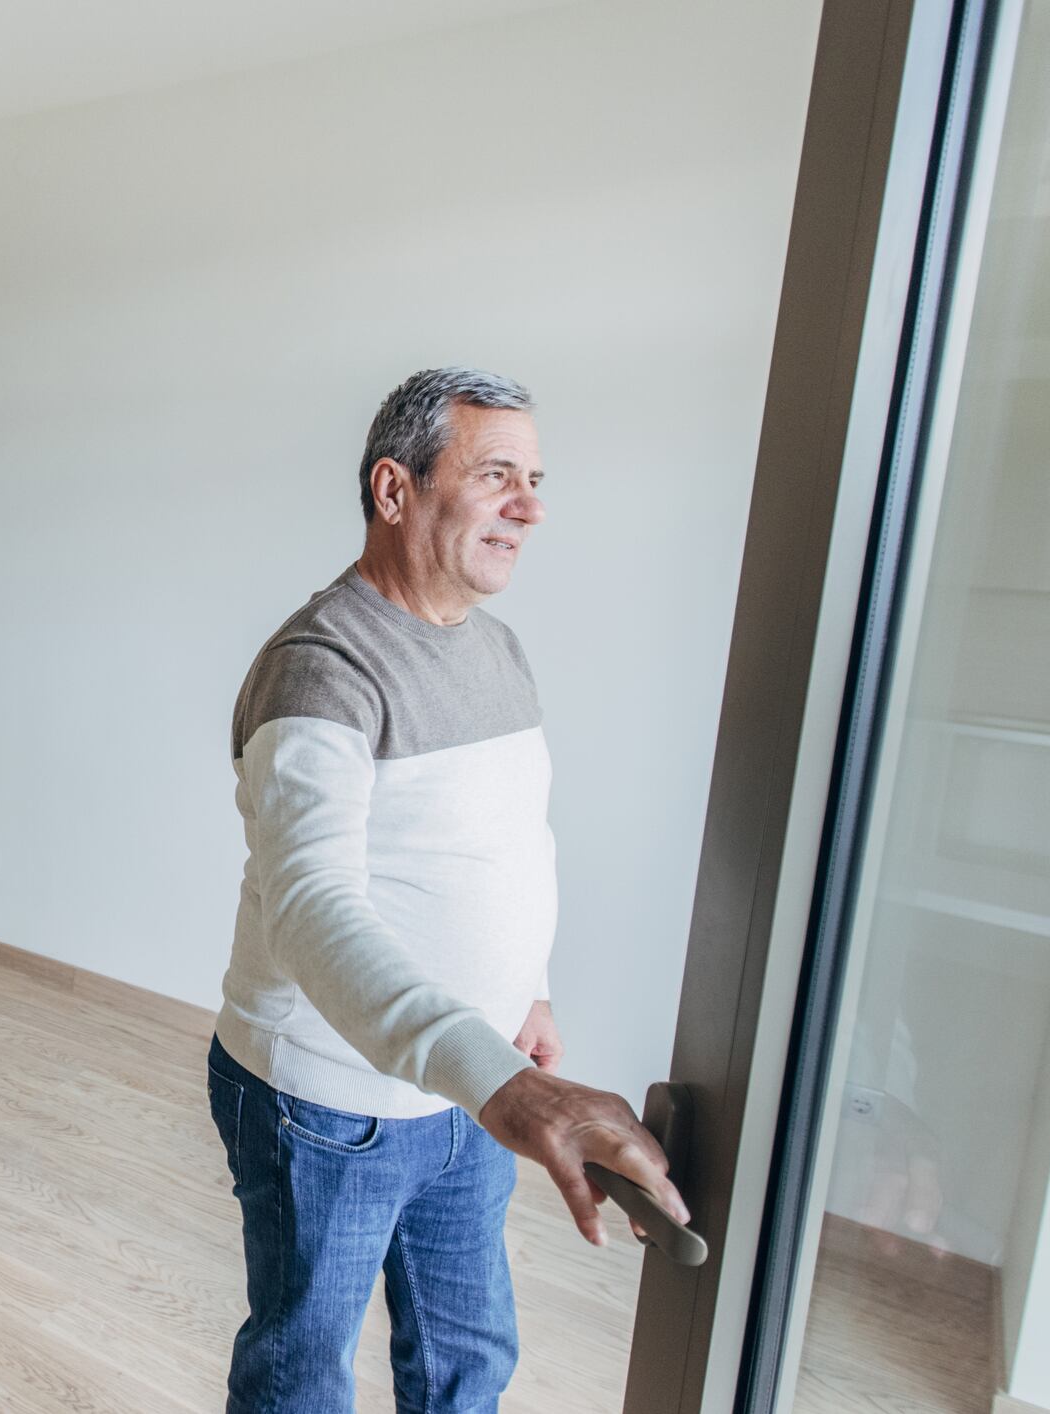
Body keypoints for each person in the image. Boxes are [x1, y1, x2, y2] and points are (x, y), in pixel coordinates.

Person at [208, 368, 685, 1412]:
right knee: (301, 1369)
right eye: (497, 475)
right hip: (328, 1104)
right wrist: (505, 1080)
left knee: (467, 1353)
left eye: (536, 478)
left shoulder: (494, 647)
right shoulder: (318, 670)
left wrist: (531, 990)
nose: (531, 505)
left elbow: (502, 844)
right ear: (394, 489)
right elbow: (310, 913)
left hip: (468, 1084)